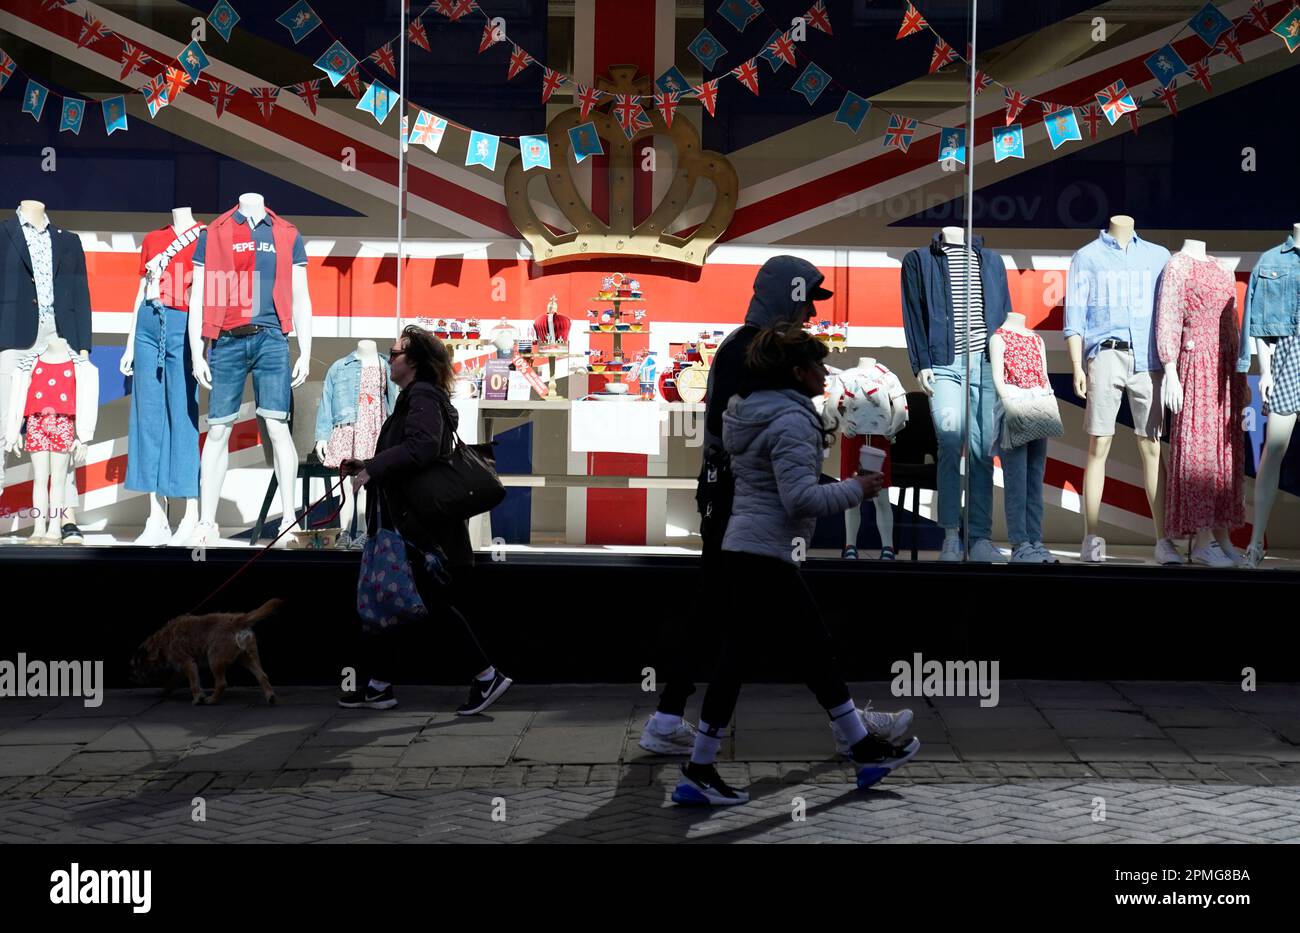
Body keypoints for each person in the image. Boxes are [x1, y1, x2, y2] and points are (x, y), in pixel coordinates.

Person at [640, 255, 912, 757]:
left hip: (740, 509)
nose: (810, 311)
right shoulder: (749, 351)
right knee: (784, 627)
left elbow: (729, 431)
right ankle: (848, 730)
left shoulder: (745, 350)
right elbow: (730, 435)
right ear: (788, 295)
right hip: (748, 512)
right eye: (807, 298)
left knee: (731, 616)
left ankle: (675, 721)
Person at [672, 327, 921, 806]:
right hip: (765, 555)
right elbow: (799, 498)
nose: (825, 373)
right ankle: (702, 768)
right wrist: (857, 489)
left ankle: (863, 750)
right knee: (771, 656)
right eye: (816, 365)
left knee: (801, 653)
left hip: (750, 548)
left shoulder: (750, 413)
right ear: (796, 372)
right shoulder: (791, 421)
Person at [337, 326, 511, 715]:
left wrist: (375, 468)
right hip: (412, 524)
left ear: (412, 361)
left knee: (424, 601)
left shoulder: (422, 396)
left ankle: (487, 677)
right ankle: (380, 685)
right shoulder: (414, 398)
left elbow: (422, 447)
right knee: (399, 599)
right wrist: (367, 465)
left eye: (394, 352)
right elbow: (413, 450)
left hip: (418, 527)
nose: (389, 357)